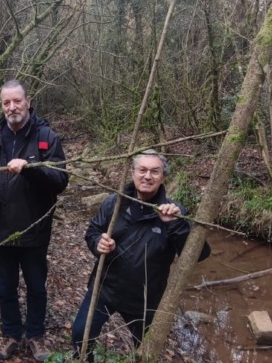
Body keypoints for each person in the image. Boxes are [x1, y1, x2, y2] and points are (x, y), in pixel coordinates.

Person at [72, 149, 211, 361]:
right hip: (105, 288)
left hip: (145, 299)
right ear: (133, 173)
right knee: (80, 335)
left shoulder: (175, 212)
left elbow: (199, 254)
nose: (147, 176)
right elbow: (93, 231)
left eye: (155, 171)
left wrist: (175, 225)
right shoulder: (114, 203)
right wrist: (98, 243)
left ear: (163, 177)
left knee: (144, 351)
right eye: (142, 170)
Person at [0, 80, 69, 361]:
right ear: (1, 105)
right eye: (6, 102)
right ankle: (11, 335)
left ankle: (36, 336)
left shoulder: (46, 136)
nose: (12, 107)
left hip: (34, 229)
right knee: (4, 288)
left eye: (17, 101)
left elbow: (60, 180)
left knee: (36, 287)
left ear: (28, 102)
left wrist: (30, 169)